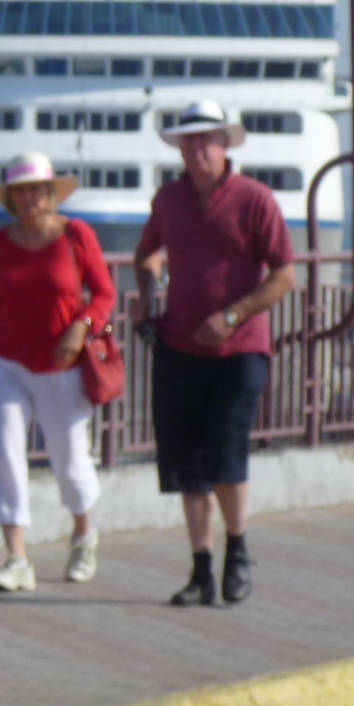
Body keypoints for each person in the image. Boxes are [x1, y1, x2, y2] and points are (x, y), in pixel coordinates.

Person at [134, 99, 297, 607]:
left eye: (206, 139)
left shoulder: (255, 199)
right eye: (189, 140)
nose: (197, 149)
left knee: (227, 455)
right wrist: (147, 295)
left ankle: (238, 551)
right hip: (178, 346)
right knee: (187, 467)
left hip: (240, 350)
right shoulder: (169, 199)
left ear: (225, 145)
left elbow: (284, 275)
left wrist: (232, 316)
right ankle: (201, 568)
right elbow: (147, 252)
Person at [0, 153, 111, 592]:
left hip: (61, 363)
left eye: (36, 189)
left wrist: (81, 327)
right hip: (5, 362)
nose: (29, 198)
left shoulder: (76, 235)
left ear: (51, 194)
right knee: (6, 457)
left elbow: (105, 295)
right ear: (10, 199)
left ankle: (84, 535)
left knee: (70, 461)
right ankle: (16, 558)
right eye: (20, 191)